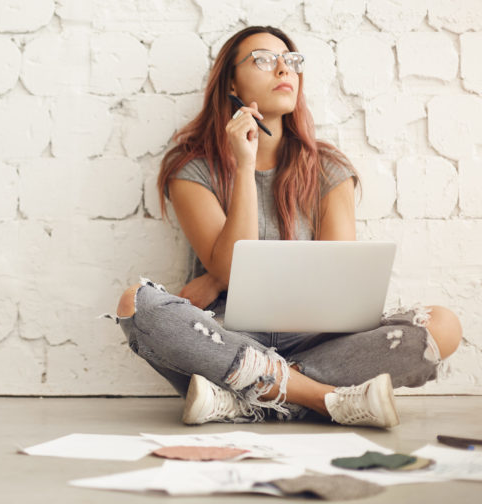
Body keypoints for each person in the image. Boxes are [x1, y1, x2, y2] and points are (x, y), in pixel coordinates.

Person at [114, 26, 462, 428]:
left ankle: (244, 399)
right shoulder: (193, 170)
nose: (283, 68)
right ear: (230, 82)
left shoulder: (329, 169)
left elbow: (340, 286)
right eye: (263, 59)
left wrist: (214, 281)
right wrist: (244, 165)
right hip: (225, 338)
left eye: (292, 61)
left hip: (313, 339)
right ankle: (323, 398)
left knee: (443, 325)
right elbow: (231, 269)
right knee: (135, 303)